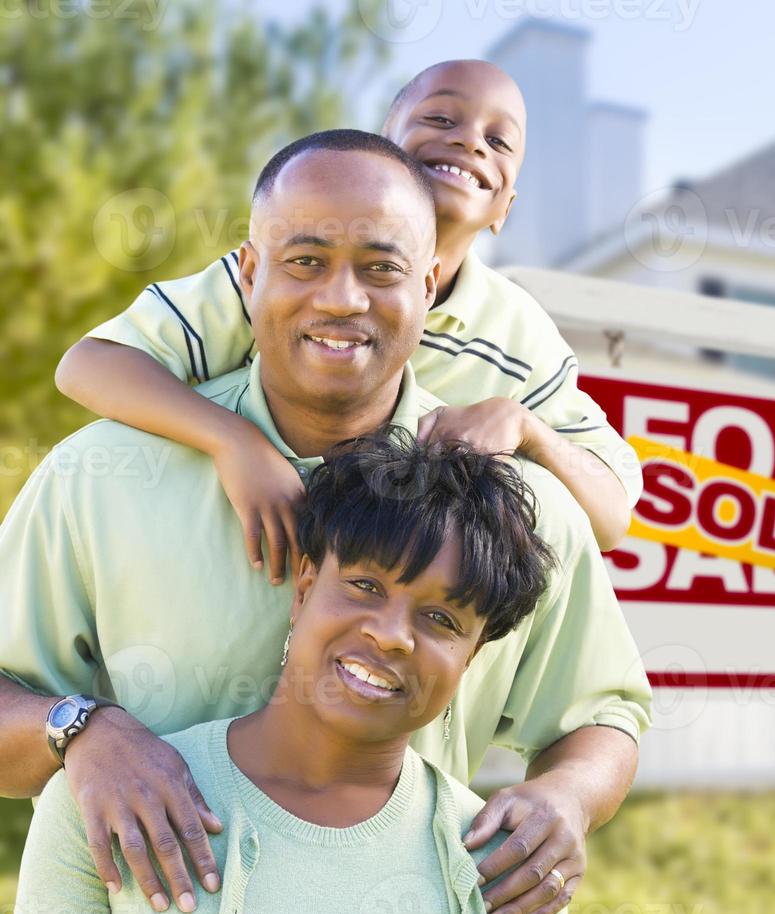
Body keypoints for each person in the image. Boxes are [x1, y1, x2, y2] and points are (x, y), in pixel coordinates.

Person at [0, 129, 650, 914]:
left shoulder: (520, 511)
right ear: (249, 272)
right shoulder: (98, 477)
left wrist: (567, 800)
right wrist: (81, 732)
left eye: (381, 268)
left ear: (431, 280)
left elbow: (603, 715)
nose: (343, 299)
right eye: (305, 260)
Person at [9, 428, 568, 914]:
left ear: (468, 660)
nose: (393, 635)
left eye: (442, 619)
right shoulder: (110, 797)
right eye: (366, 586)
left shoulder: (510, 865)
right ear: (303, 590)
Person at [55, 58, 639, 575]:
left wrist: (525, 426)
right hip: (225, 556)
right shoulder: (282, 277)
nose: (470, 143)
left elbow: (611, 520)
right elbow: (89, 366)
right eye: (441, 119)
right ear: (380, 147)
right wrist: (233, 441)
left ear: (504, 208)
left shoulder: (519, 333)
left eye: (499, 139)